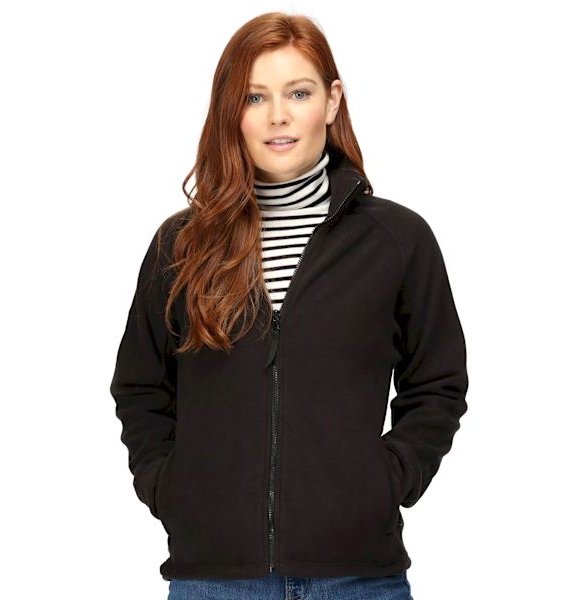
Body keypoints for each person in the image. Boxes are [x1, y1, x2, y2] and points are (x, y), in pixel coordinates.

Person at [110, 11, 468, 600]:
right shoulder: (182, 245)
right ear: (232, 111)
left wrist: (386, 481)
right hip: (214, 580)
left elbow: (438, 383)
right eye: (255, 97)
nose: (278, 115)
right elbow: (140, 386)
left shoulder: (397, 241)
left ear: (331, 101)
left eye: (298, 93)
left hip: (357, 577)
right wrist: (171, 488)